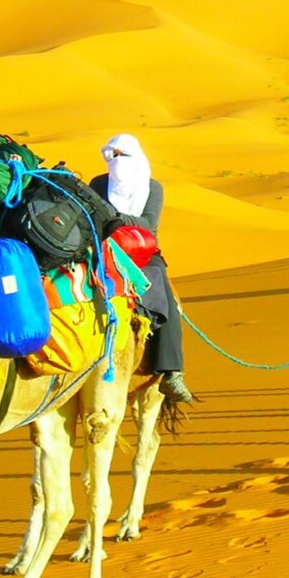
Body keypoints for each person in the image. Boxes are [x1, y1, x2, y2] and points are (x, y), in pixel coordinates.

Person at [91, 134, 193, 403]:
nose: (116, 162)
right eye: (111, 156)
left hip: (142, 252)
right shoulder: (99, 184)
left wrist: (112, 219)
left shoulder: (152, 187)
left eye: (122, 155)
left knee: (166, 301)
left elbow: (148, 223)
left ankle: (172, 372)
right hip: (103, 251)